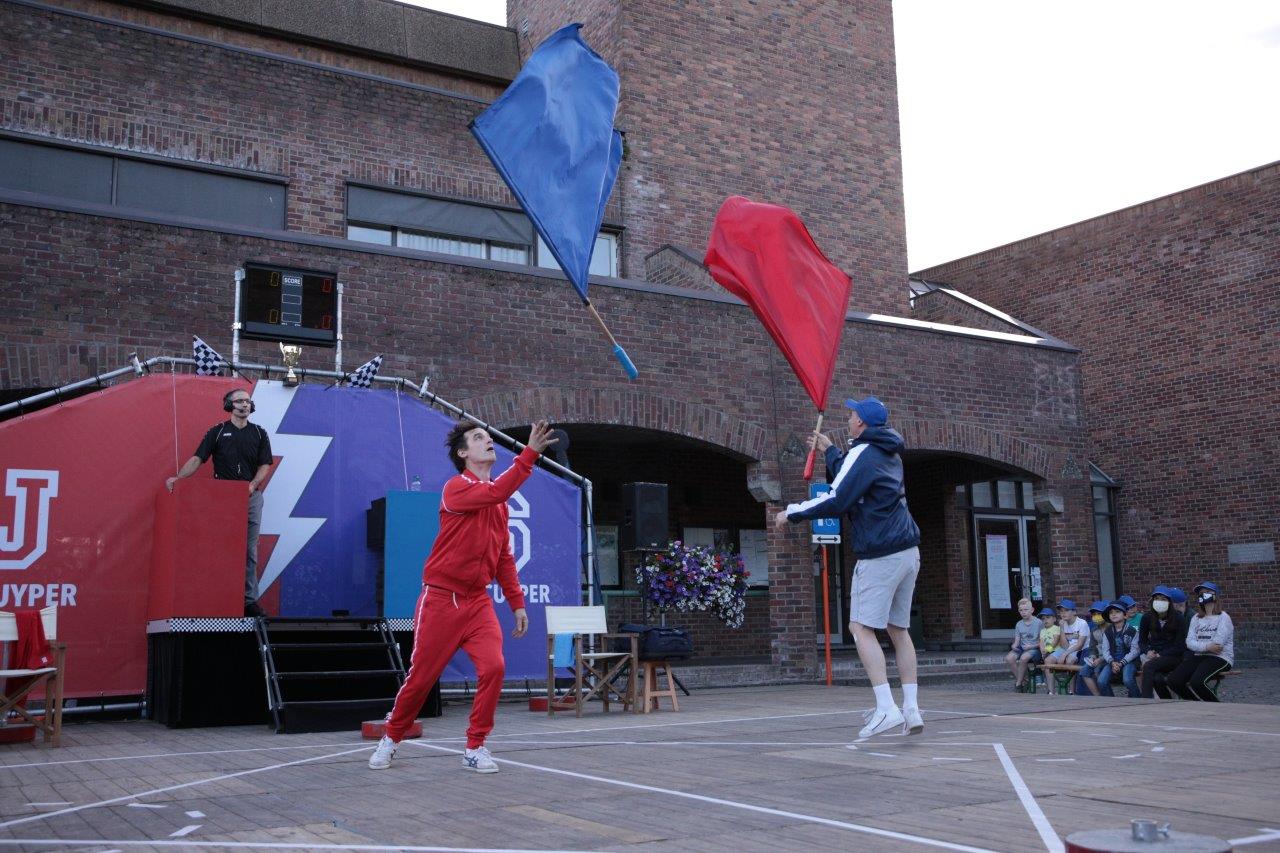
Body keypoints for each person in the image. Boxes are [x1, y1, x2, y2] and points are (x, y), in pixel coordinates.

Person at [369, 420, 558, 773]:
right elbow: (497, 492)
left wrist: (517, 604)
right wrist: (530, 453)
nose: (488, 442)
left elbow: (503, 557)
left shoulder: (499, 505)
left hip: (478, 602)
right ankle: (392, 737)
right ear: (463, 453)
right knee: (421, 679)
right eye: (479, 438)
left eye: (489, 438)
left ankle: (475, 746)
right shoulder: (456, 488)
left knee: (495, 667)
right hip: (441, 599)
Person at [775, 396, 921, 738]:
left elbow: (837, 498)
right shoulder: (888, 451)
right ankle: (912, 709)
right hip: (908, 551)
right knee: (898, 630)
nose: (850, 417)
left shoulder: (863, 451)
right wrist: (830, 451)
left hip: (880, 554)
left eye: (853, 414)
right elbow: (855, 478)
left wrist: (792, 512)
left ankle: (887, 709)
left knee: (859, 628)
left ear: (862, 423)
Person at [165, 387, 273, 616]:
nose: (245, 404)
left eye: (248, 401)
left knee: (249, 550)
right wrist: (180, 478)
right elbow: (198, 458)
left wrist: (252, 485)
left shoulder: (260, 433)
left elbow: (265, 463)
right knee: (219, 547)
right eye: (240, 401)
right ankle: (217, 596)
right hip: (221, 498)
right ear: (229, 405)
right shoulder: (217, 431)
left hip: (251, 497)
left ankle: (248, 601)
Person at [1167, 581, 1234, 701]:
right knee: (1173, 680)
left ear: (1216, 596)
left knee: (1197, 682)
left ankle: (1218, 707)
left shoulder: (1224, 617)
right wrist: (1207, 647)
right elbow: (1189, 642)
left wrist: (1200, 646)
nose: (1204, 595)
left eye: (1208, 592)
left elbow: (1218, 645)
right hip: (1199, 656)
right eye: (1201, 594)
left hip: (1220, 657)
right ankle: (1195, 703)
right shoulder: (1196, 618)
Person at [1138, 586, 1186, 699]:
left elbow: (1180, 645)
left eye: (1163, 599)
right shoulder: (1147, 618)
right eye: (1157, 599)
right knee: (1157, 679)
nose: (1160, 602)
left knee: (1148, 666)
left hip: (1173, 656)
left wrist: (1161, 655)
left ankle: (1145, 700)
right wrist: (1147, 651)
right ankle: (1167, 702)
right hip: (1155, 655)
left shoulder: (1179, 618)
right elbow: (1142, 641)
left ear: (1169, 602)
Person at [1098, 600, 1140, 697]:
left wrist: (1122, 663)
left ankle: (1137, 699)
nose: (1114, 614)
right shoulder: (1108, 632)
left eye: (1117, 612)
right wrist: (1112, 662)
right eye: (1111, 612)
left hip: (1129, 662)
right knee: (1101, 681)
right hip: (1112, 662)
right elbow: (1105, 650)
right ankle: (1112, 702)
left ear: (1125, 615)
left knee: (1128, 680)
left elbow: (1135, 651)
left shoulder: (1132, 631)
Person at [1074, 600, 1110, 696]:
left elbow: (1113, 649)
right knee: (1084, 671)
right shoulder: (1094, 630)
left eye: (1099, 613)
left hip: (1109, 658)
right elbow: (1092, 647)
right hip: (1098, 659)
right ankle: (1097, 696)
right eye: (1094, 614)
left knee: (1098, 672)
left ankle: (1108, 696)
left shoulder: (1111, 629)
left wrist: (1101, 659)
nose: (1096, 616)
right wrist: (1093, 656)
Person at [1005, 598, 1041, 690]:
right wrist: (1014, 646)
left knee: (1023, 658)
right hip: (1022, 648)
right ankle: (1024, 681)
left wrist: (1031, 646)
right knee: (1009, 658)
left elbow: (1043, 641)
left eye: (1026, 610)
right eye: (1021, 610)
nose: (1023, 612)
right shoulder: (1019, 624)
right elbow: (1017, 641)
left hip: (1035, 648)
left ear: (1032, 610)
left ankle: (1018, 683)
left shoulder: (1039, 623)